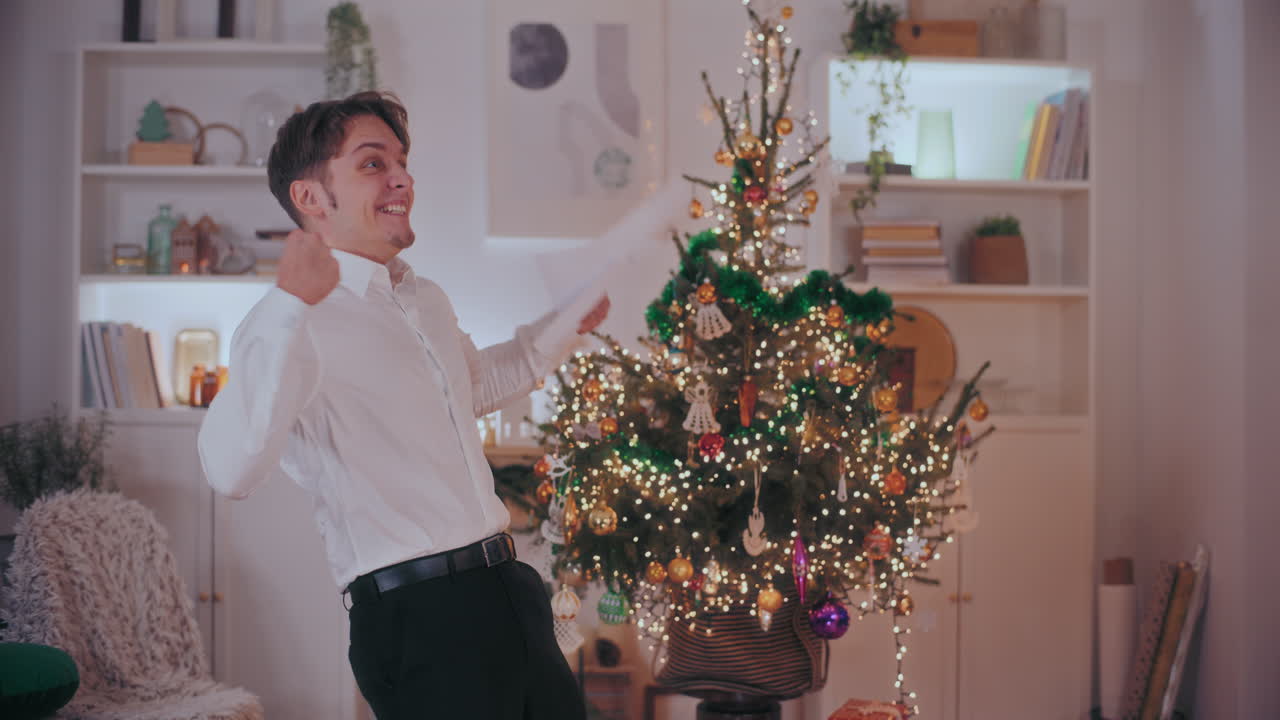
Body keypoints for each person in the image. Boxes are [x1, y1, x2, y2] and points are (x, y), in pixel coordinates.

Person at [197, 91, 608, 719]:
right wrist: (288, 305)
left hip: (510, 591)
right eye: (372, 163)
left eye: (402, 161)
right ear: (311, 198)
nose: (403, 178)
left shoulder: (425, 298)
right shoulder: (287, 319)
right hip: (422, 619)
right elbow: (231, 472)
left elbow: (478, 386)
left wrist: (566, 324)